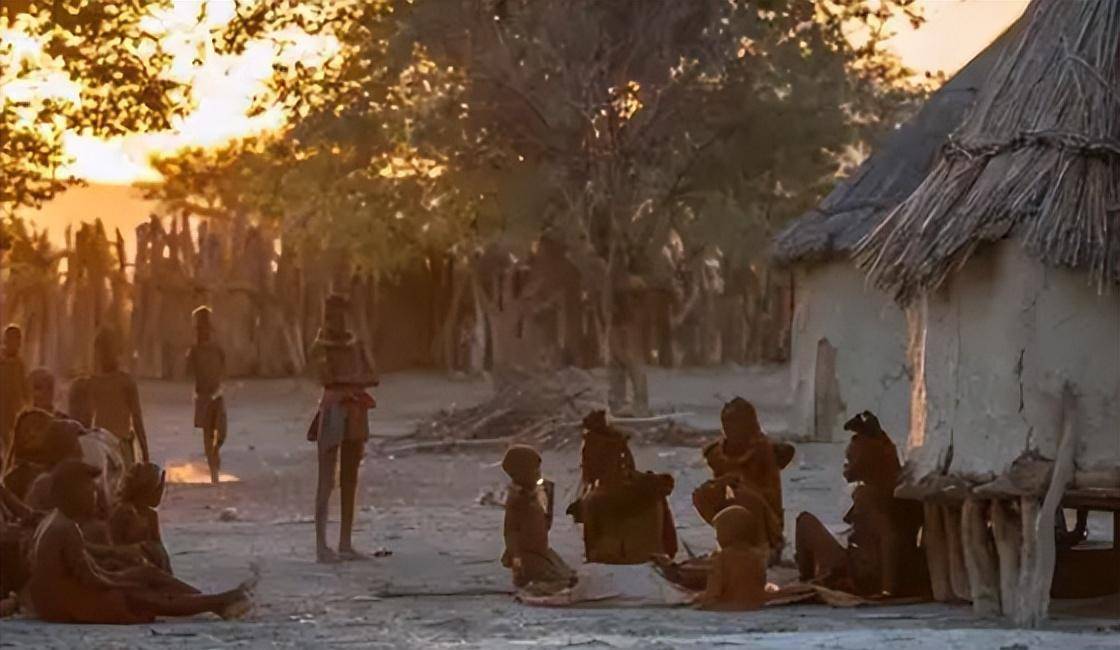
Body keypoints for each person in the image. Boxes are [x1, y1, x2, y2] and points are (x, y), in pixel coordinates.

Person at [26, 460, 254, 623]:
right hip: (69, 607)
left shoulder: (55, 520)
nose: (96, 495)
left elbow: (89, 570)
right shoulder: (65, 528)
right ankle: (215, 602)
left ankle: (208, 599)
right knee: (142, 595)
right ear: (73, 492)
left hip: (62, 601)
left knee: (145, 575)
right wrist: (125, 582)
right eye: (90, 490)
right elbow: (92, 580)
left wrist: (127, 575)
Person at [794, 411, 927, 598]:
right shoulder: (892, 483)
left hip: (864, 575)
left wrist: (887, 590)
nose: (846, 464)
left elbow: (890, 538)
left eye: (851, 459)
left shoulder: (871, 494)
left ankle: (805, 579)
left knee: (805, 523)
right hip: (870, 571)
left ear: (869, 457)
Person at [307, 294, 377, 563]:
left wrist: (347, 383)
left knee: (350, 479)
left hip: (353, 410)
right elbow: (326, 377)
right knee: (326, 481)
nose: (335, 320)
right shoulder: (320, 346)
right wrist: (352, 383)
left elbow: (374, 376)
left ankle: (345, 543)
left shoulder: (355, 344)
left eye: (339, 315)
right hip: (334, 410)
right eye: (331, 315)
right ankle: (321, 546)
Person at [567, 410, 677, 564]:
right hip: (656, 560)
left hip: (624, 565)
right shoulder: (651, 486)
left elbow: (594, 554)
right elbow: (670, 543)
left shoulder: (597, 500)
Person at [693, 397, 788, 563]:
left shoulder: (761, 449)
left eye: (736, 423)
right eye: (727, 423)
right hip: (733, 501)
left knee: (744, 496)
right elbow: (719, 485)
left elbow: (771, 493)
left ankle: (764, 547)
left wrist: (742, 485)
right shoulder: (717, 453)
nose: (731, 429)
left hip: (764, 514)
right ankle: (728, 540)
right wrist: (723, 482)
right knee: (704, 494)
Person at [501, 445, 575, 594]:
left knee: (570, 577)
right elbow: (511, 531)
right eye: (534, 471)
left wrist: (548, 496)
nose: (538, 474)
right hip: (526, 554)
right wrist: (516, 558)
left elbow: (546, 523)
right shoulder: (517, 500)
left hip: (541, 551)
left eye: (538, 470)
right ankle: (535, 588)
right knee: (556, 580)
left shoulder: (537, 494)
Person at [88, 328, 149, 465]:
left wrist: (145, 452)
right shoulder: (92, 383)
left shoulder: (125, 382)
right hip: (106, 444)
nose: (105, 355)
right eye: (103, 351)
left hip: (116, 444)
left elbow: (137, 419)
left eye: (108, 350)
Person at [692, 505, 769, 611]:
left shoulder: (720, 559)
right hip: (754, 605)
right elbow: (760, 585)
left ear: (725, 534)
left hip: (727, 607)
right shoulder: (757, 557)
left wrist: (700, 599)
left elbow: (713, 593)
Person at [185, 306, 227, 484]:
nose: (202, 331)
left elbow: (223, 369)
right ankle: (213, 472)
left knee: (222, 432)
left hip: (217, 394)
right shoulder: (194, 351)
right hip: (202, 396)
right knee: (208, 435)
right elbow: (188, 373)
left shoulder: (217, 349)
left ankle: (216, 454)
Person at [109, 462, 172, 573]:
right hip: (129, 566)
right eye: (158, 489)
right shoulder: (124, 512)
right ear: (147, 491)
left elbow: (158, 545)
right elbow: (113, 545)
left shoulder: (151, 515)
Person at [0, 325, 29, 463]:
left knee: (11, 443)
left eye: (17, 341)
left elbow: (24, 387)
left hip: (13, 411)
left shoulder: (19, 364)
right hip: (2, 409)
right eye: (9, 340)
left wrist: (28, 402)